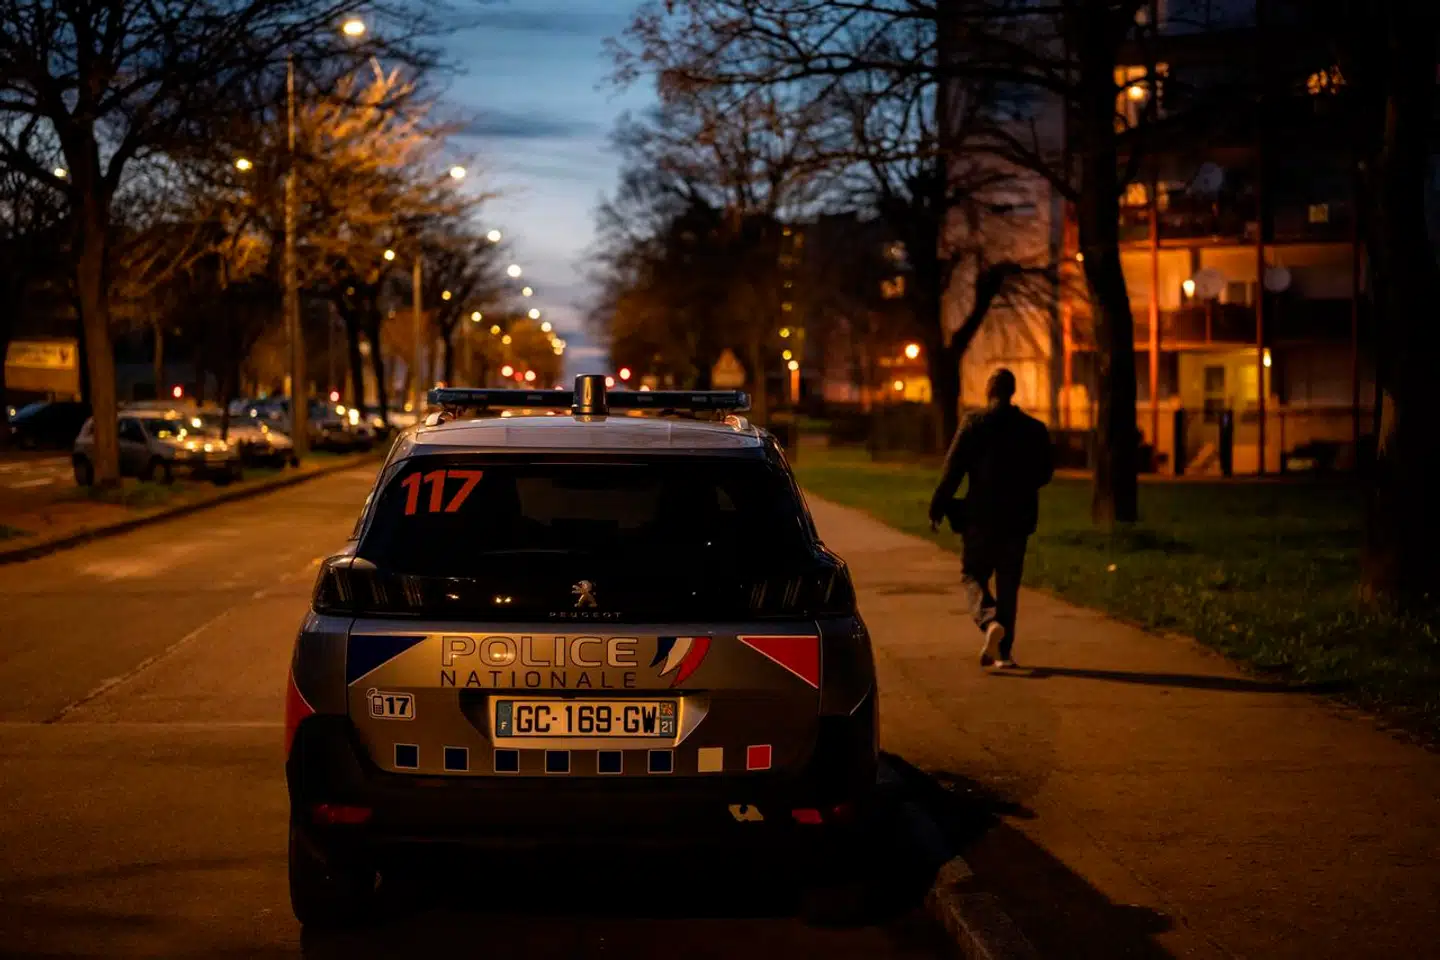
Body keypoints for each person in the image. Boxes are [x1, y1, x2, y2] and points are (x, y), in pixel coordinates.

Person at [928, 368, 1053, 669]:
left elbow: (953, 469)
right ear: (1013, 392)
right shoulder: (1033, 429)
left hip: (980, 516)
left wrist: (938, 507)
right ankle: (1004, 652)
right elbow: (1045, 471)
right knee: (1009, 582)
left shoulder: (974, 423)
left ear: (989, 391)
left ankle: (988, 620)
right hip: (1018, 517)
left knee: (973, 574)